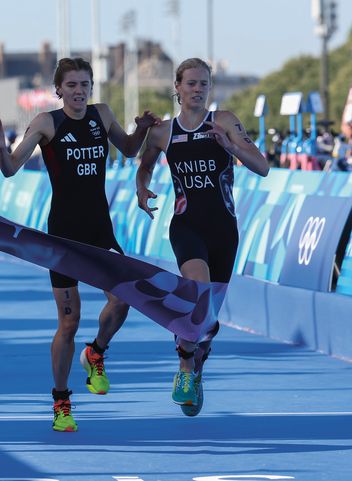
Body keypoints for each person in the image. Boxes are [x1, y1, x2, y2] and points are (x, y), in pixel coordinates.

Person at [0, 57, 159, 432]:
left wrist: (141, 129)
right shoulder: (48, 122)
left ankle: (95, 352)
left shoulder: (102, 115)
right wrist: (1, 146)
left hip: (99, 230)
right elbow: (12, 168)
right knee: (68, 322)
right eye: (73, 86)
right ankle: (61, 401)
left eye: (85, 85)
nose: (80, 92)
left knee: (123, 298)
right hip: (63, 237)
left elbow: (128, 150)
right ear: (58, 90)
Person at [135, 57, 269, 416]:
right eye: (190, 83)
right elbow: (144, 165)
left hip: (224, 230)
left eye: (203, 84)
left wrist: (232, 147)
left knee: (205, 321)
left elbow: (263, 167)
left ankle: (196, 369)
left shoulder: (223, 122)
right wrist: (141, 189)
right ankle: (183, 367)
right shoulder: (163, 132)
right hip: (186, 225)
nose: (197, 90)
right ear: (177, 88)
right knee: (196, 293)